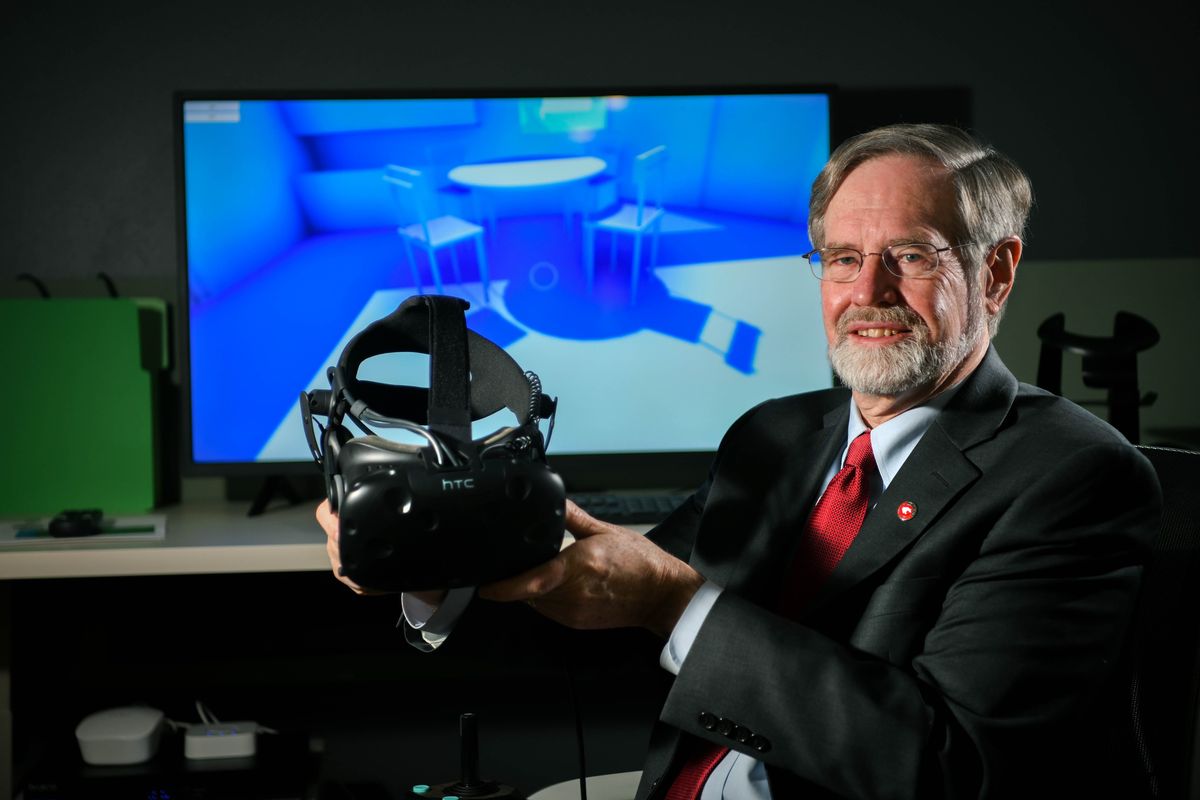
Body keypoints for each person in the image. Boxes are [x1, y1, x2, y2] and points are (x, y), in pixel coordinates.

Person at [315, 123, 1161, 798]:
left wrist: (673, 602)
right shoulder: (777, 435)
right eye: (839, 259)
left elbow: (951, 767)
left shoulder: (1074, 477)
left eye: (910, 256)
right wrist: (428, 566)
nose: (866, 294)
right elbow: (626, 615)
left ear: (997, 270)